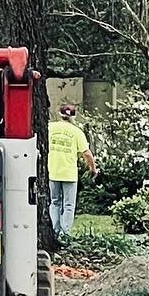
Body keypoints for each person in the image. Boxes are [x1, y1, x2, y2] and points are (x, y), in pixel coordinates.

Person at [47, 103, 97, 242]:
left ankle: (54, 231)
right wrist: (93, 168)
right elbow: (87, 153)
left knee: (54, 202)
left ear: (59, 114)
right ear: (73, 117)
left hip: (53, 170)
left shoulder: (50, 128)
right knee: (68, 205)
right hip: (69, 173)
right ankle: (65, 234)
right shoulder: (77, 132)